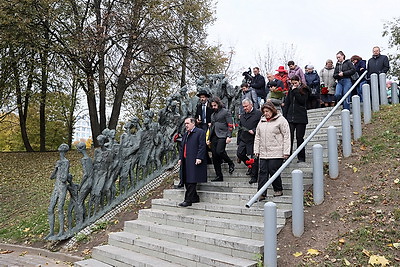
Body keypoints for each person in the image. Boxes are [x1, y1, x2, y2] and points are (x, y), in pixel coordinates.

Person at [254, 102, 290, 199]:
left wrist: (286, 151)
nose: (265, 113)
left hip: (276, 151)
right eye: (264, 111)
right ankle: (261, 193)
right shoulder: (261, 121)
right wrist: (256, 149)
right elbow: (257, 136)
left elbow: (286, 136)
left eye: (267, 111)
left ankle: (278, 189)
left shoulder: (281, 120)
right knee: (262, 172)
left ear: (272, 110)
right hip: (263, 152)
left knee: (273, 170)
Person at [178, 117, 207, 207]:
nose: (186, 125)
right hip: (186, 160)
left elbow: (202, 146)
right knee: (186, 179)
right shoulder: (186, 134)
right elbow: (182, 147)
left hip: (194, 159)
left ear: (193, 123)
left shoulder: (200, 132)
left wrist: (199, 157)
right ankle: (194, 197)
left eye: (187, 123)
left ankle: (188, 200)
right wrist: (180, 158)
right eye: (185, 124)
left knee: (192, 180)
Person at [46, 144, 71, 239]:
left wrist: (60, 168)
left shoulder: (66, 162)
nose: (59, 148)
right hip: (56, 187)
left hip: (62, 187)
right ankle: (51, 232)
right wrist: (56, 168)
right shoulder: (59, 162)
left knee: (60, 208)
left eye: (62, 148)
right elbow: (51, 177)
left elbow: (64, 178)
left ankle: (61, 231)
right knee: (50, 209)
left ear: (64, 150)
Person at [283, 75, 309, 163]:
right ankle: (287, 156)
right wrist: (285, 116)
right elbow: (287, 103)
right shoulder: (291, 90)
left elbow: (302, 101)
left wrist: (295, 91)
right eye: (292, 83)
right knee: (289, 137)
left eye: (295, 83)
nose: (294, 85)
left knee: (299, 138)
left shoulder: (304, 89)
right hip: (291, 117)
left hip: (301, 118)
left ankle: (301, 157)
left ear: (299, 82)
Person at [208, 96, 235, 181]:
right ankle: (219, 175)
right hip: (214, 136)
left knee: (220, 151)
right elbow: (211, 127)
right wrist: (208, 138)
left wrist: (229, 135)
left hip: (222, 135)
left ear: (218, 104)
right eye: (212, 106)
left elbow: (230, 124)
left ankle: (230, 162)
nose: (213, 107)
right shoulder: (212, 115)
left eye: (215, 105)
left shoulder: (225, 112)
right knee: (215, 156)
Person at [237, 99, 262, 184]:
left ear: (251, 105)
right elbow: (240, 128)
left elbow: (261, 125)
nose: (245, 108)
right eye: (243, 106)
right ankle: (249, 166)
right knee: (240, 153)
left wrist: (254, 130)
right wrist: (238, 141)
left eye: (246, 106)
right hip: (244, 138)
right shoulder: (243, 115)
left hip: (254, 139)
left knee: (254, 158)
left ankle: (254, 176)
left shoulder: (258, 113)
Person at [195, 90, 213, 165]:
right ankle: (207, 159)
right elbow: (196, 115)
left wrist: (211, 122)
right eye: (201, 98)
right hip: (201, 125)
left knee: (208, 141)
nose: (202, 99)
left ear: (206, 98)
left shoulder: (210, 106)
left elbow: (214, 114)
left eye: (203, 97)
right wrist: (197, 120)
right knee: (202, 142)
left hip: (209, 126)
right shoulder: (198, 107)